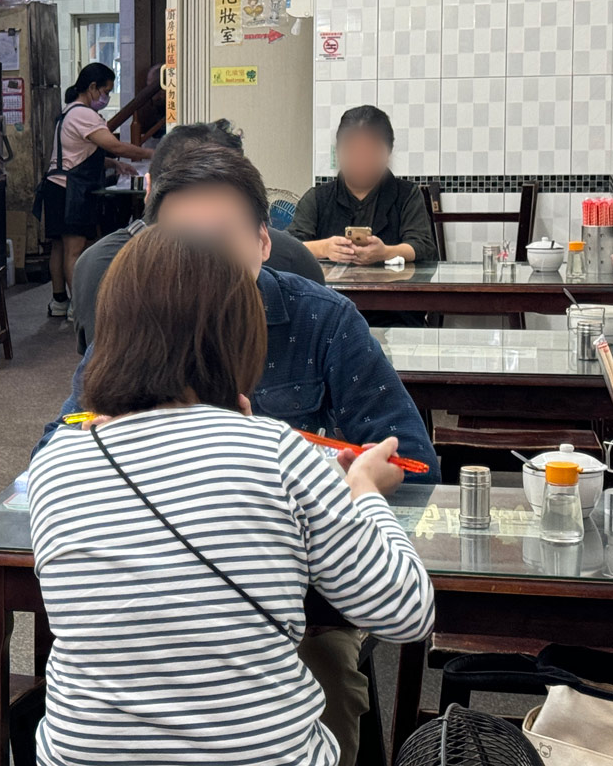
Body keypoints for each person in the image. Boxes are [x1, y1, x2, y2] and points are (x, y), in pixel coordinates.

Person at [42, 144, 439, 766]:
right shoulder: (150, 345)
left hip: (314, 600)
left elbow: (414, 460)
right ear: (148, 253)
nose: (197, 265)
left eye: (218, 241)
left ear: (262, 242)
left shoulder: (322, 318)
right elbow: (407, 608)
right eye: (178, 243)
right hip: (269, 593)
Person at [71, 119, 322, 350]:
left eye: (221, 236)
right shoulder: (108, 269)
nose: (204, 259)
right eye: (184, 237)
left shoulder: (97, 264)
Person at [35, 62, 153, 318]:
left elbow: (76, 152)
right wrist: (153, 153)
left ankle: (59, 302)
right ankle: (79, 307)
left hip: (55, 188)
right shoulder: (84, 115)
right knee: (75, 250)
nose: (106, 97)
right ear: (92, 87)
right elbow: (116, 145)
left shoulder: (69, 112)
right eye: (106, 91)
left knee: (59, 247)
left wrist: (113, 164)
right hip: (71, 191)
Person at [289, 105, 436, 265]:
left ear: (387, 153)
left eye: (369, 152)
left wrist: (386, 253)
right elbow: (288, 247)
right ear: (338, 152)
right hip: (326, 288)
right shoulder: (317, 198)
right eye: (351, 151)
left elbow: (422, 246)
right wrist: (324, 248)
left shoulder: (407, 195)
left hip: (393, 287)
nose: (360, 161)